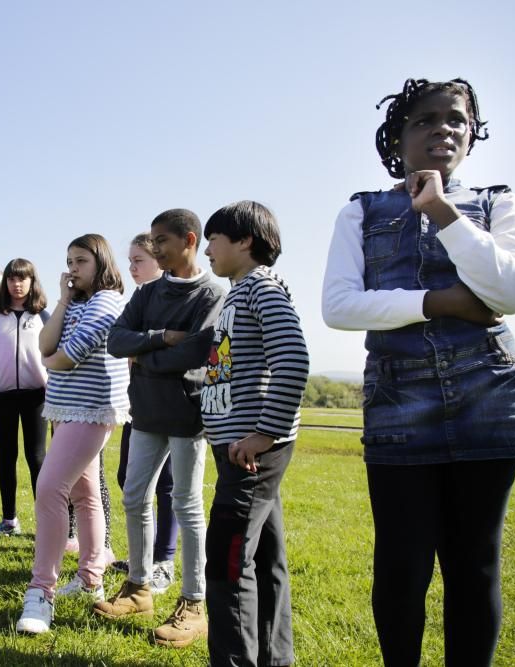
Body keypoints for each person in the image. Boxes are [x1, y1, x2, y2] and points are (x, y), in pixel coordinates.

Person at [322, 78, 515, 667]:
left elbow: (514, 291)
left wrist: (444, 212)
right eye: (426, 120)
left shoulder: (500, 204)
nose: (444, 129)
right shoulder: (362, 209)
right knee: (401, 562)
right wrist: (441, 303)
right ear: (399, 136)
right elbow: (339, 306)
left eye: (456, 120)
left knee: (475, 561)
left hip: (490, 392)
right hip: (399, 397)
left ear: (472, 135)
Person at [97, 210, 226, 649]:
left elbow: (197, 352)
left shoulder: (213, 293)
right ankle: (138, 588)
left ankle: (194, 603)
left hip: (189, 417)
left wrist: (148, 354)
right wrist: (158, 337)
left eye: (161, 241)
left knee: (188, 505)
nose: (154, 250)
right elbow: (117, 341)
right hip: (146, 412)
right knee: (134, 496)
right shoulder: (149, 292)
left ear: (189, 239)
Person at [202, 201, 309, 664]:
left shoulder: (261, 289)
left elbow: (293, 360)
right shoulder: (238, 293)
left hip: (251, 451)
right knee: (264, 558)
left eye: (215, 238)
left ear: (245, 241)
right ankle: (273, 657)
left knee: (227, 562)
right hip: (240, 446)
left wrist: (264, 435)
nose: (208, 249)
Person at [16, 233, 130, 635]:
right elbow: (44, 344)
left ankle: (40, 591)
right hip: (66, 409)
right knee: (84, 494)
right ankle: (90, 578)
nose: (72, 268)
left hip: (91, 410)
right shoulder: (77, 303)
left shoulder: (108, 302)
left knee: (49, 488)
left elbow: (64, 358)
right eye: (68, 260)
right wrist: (62, 302)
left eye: (81, 261)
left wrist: (51, 357)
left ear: (101, 262)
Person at [111, 232, 181, 593]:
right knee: (129, 479)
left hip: (170, 406)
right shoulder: (138, 300)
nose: (132, 267)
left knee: (168, 485)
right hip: (138, 404)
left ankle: (164, 561)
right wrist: (152, 342)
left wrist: (143, 346)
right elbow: (120, 343)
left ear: (159, 259)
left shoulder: (174, 298)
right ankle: (146, 555)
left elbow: (176, 351)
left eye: (138, 260)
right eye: (130, 261)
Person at [0, 258, 49, 538]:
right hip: (3, 397)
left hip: (37, 397)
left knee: (37, 458)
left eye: (22, 279)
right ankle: (9, 520)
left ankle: (46, 523)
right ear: (5, 282)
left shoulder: (44, 316)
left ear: (32, 282)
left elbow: (53, 353)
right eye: (11, 278)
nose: (17, 284)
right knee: (6, 458)